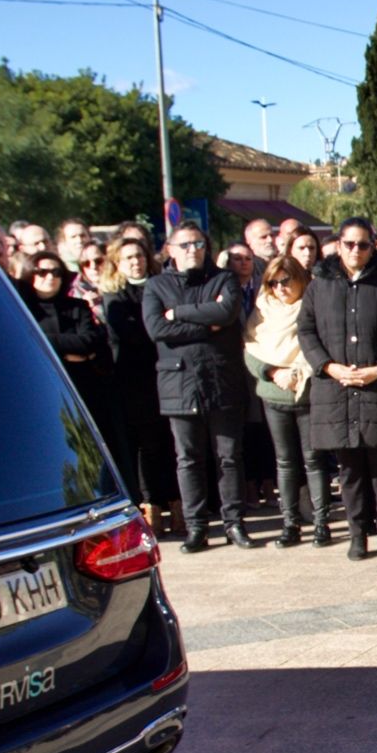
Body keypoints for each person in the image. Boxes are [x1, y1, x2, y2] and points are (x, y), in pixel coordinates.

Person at [300, 217, 377, 558]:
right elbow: (306, 330)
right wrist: (328, 366)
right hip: (336, 389)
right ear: (338, 244)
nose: (355, 250)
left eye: (363, 244)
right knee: (348, 469)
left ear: (372, 246)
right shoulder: (319, 284)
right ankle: (356, 535)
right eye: (349, 243)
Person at [143, 224, 257, 553]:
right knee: (189, 459)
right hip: (178, 382)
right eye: (185, 244)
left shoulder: (223, 279)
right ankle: (197, 528)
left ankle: (235, 523)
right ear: (170, 250)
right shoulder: (156, 286)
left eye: (198, 243)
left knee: (229, 457)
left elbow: (227, 311)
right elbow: (156, 328)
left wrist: (179, 313)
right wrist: (208, 326)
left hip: (222, 380)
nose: (193, 249)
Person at [244, 256, 330, 547]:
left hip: (307, 393)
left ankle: (321, 522)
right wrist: (272, 371)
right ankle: (290, 523)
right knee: (284, 462)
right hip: (274, 395)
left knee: (313, 460)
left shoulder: (313, 305)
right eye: (273, 282)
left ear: (299, 279)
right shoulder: (261, 311)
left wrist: (299, 372)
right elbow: (251, 348)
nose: (280, 288)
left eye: (285, 280)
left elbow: (320, 343)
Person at [20, 251, 123, 481]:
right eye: (42, 271)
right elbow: (26, 341)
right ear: (31, 274)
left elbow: (89, 341)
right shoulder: (23, 309)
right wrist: (66, 349)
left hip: (84, 386)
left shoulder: (76, 306)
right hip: (43, 388)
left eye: (56, 271)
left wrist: (48, 342)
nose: (50, 277)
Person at [101, 236, 177, 537]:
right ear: (118, 263)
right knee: (145, 447)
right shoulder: (115, 296)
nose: (136, 261)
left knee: (169, 442)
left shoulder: (160, 286)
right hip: (133, 380)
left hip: (166, 373)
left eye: (140, 255)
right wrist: (161, 323)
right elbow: (133, 333)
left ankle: (177, 505)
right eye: (128, 257)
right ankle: (152, 506)